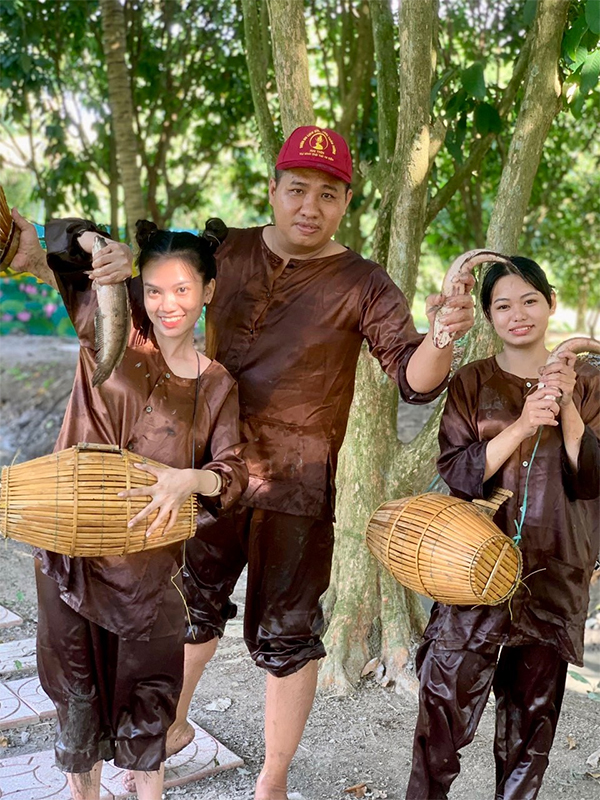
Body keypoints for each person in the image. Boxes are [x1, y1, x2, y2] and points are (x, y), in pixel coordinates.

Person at [20, 125, 475, 800]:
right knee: (187, 607)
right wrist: (97, 250)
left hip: (297, 484)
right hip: (200, 466)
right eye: (297, 189)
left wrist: (442, 334)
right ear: (273, 188)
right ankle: (165, 731)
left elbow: (414, 378)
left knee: (288, 637)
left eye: (328, 194)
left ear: (346, 202)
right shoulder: (222, 249)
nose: (310, 206)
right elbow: (143, 288)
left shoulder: (363, 282)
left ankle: (272, 779)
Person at [9, 213, 248, 800]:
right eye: (155, 289)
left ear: (208, 292)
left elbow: (233, 474)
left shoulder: (218, 385)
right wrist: (97, 244)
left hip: (147, 575)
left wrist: (190, 478)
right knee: (77, 702)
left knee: (148, 705)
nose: (168, 304)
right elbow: (52, 243)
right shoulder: (108, 327)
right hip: (71, 556)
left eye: (183, 289)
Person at [406, 257, 600, 800]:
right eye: (503, 305)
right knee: (442, 709)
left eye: (530, 300)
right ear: (489, 316)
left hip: (555, 568)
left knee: (530, 725)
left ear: (551, 302)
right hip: (473, 566)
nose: (519, 314)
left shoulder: (590, 382)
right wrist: (521, 424)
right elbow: (457, 470)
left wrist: (567, 407)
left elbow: (592, 480)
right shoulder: (472, 381)